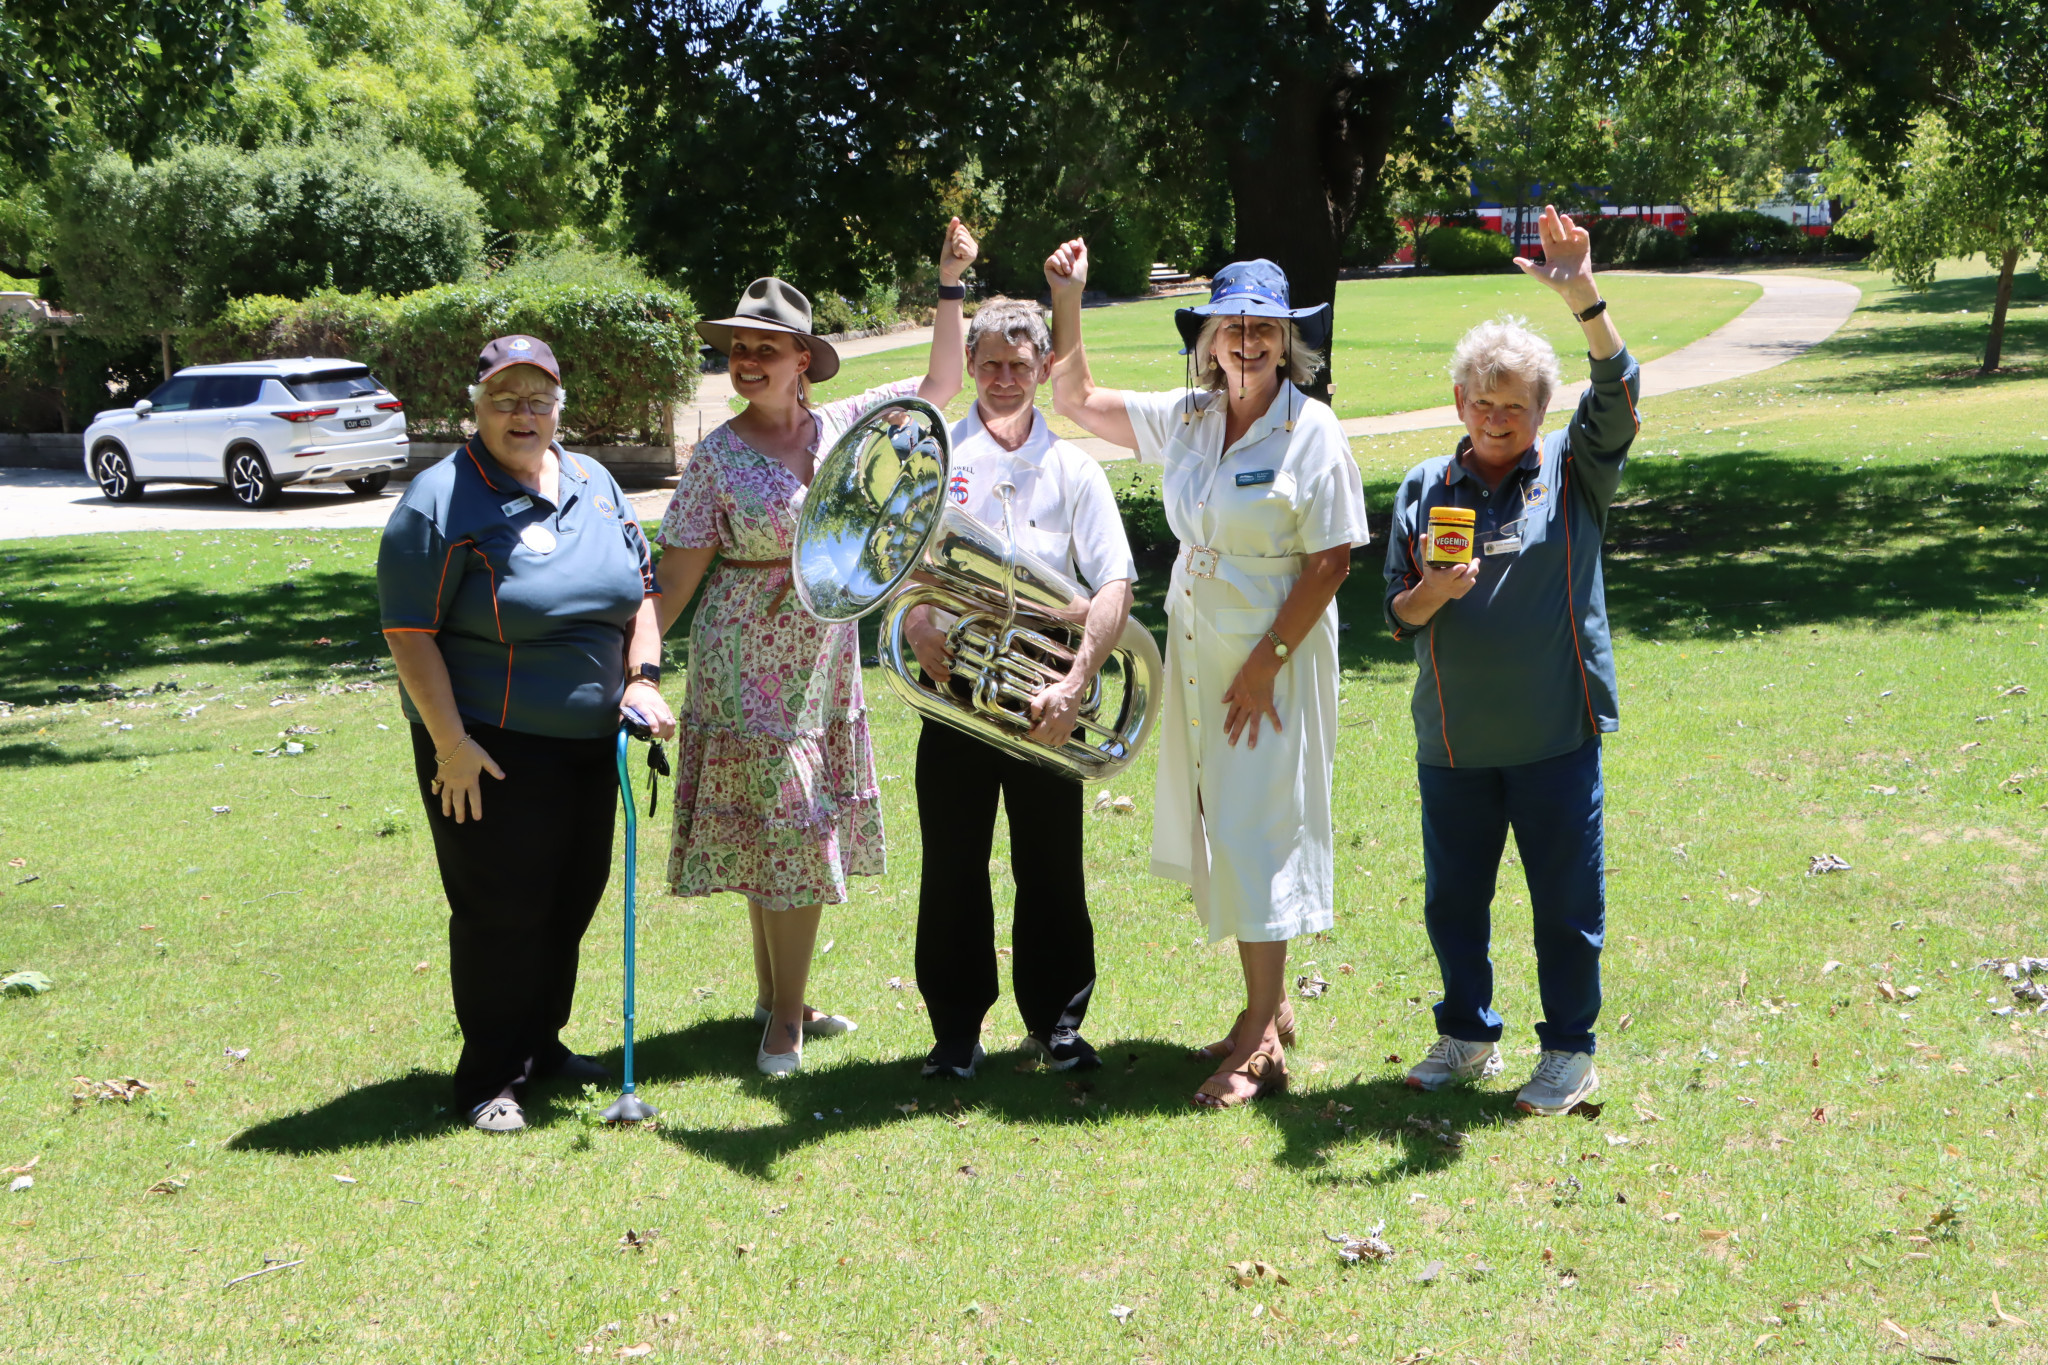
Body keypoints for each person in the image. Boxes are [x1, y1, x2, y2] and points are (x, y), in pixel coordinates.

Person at [1046, 243, 1369, 1109]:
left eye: (1265, 328)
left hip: (1272, 661)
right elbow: (1073, 400)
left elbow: (1332, 561)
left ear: (1288, 340)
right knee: (1228, 828)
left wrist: (1265, 666)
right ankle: (1266, 1004)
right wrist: (1069, 296)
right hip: (1200, 660)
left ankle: (1261, 1040)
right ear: (1211, 338)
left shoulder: (1312, 430)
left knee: (1260, 830)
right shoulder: (1193, 417)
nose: (1249, 342)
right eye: (1235, 327)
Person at [654, 220, 976, 1075]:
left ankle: (776, 996)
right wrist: (637, 663)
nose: (749, 362)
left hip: (822, 663)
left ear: (804, 360)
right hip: (743, 661)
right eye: (738, 350)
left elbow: (942, 383)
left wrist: (948, 282)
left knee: (783, 829)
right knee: (789, 827)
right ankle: (785, 1024)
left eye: (768, 348)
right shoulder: (716, 459)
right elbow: (674, 583)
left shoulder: (841, 427)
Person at [378, 335, 676, 1135]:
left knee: (568, 900)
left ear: (559, 406)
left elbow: (641, 591)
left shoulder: (594, 479)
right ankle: (489, 1077)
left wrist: (642, 679)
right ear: (475, 405)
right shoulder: (439, 501)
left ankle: (541, 1045)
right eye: (505, 398)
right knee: (501, 909)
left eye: (537, 398)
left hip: (591, 742)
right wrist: (451, 745)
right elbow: (410, 634)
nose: (523, 414)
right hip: (488, 747)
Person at [1382, 205, 1639, 1116]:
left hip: (1554, 733)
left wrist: (1584, 296)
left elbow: (1621, 390)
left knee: (1565, 902)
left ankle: (1570, 1050)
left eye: (1515, 406)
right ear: (1460, 405)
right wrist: (1435, 592)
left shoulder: (1575, 469)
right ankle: (1467, 1033)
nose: (1496, 419)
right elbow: (1397, 617)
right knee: (1454, 902)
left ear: (1540, 412)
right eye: (1482, 403)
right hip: (1452, 741)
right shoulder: (1424, 487)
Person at [902, 297, 1138, 1081]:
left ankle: (1058, 1024)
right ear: (970, 366)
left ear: (1042, 367)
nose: (1005, 377)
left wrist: (1077, 681)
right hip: (957, 688)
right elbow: (898, 568)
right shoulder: (938, 459)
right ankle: (955, 1034)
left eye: (1020, 363)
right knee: (953, 867)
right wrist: (915, 624)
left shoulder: (1073, 467)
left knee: (1051, 866)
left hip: (1044, 693)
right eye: (991, 363)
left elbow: (1112, 584)